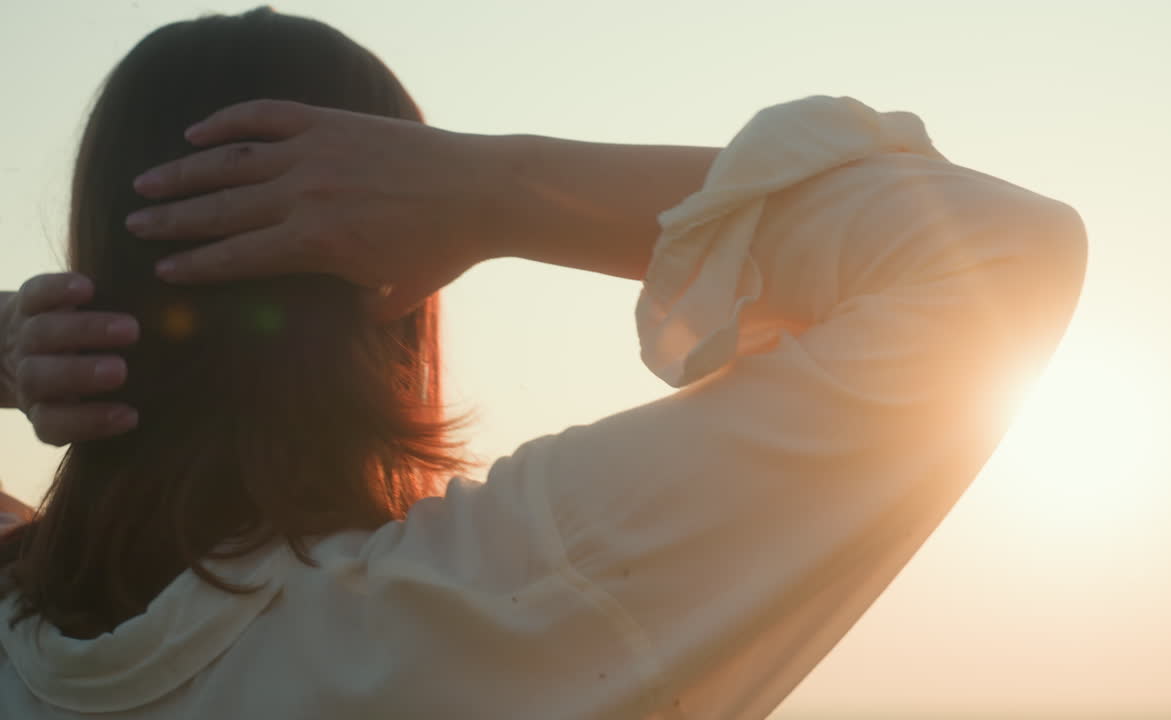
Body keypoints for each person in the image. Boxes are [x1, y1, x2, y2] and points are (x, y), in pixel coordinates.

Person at [0, 7, 1087, 719]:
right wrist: (495, 189)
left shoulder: (25, 641)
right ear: (398, 291)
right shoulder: (494, 600)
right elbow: (992, 256)